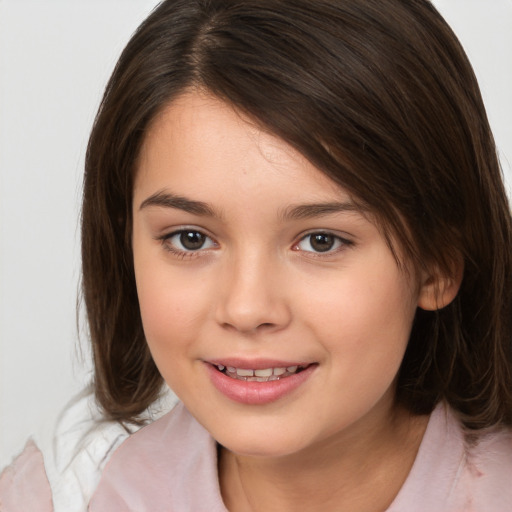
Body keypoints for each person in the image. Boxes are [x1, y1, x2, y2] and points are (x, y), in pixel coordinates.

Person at [1, 0, 511, 510]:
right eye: (190, 239)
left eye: (321, 241)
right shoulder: (61, 495)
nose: (246, 309)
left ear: (439, 261)